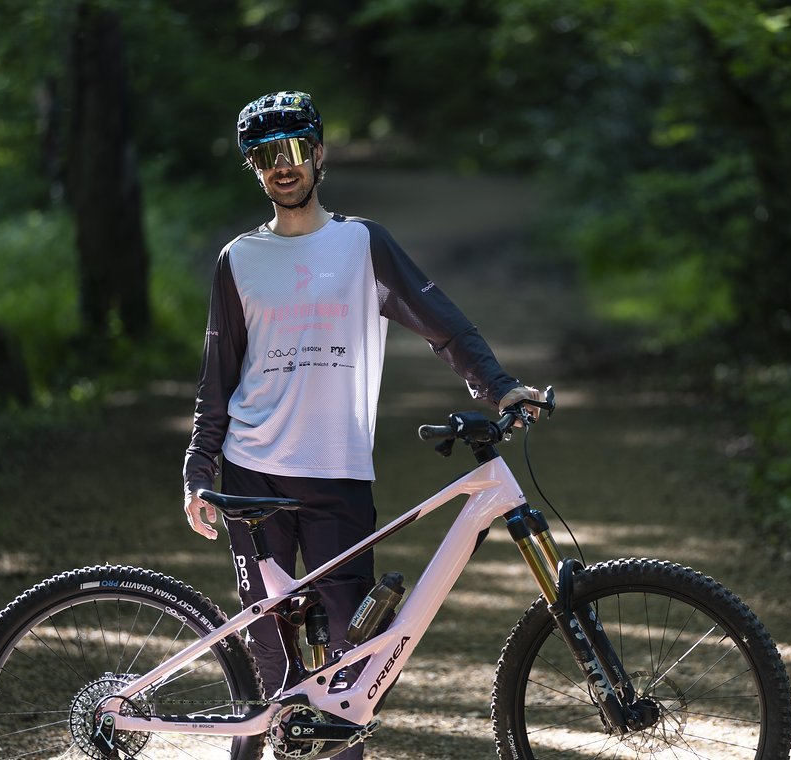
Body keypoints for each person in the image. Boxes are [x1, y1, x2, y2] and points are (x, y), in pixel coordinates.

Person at [181, 90, 539, 756]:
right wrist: (198, 468)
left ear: (319, 154)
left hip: (336, 474)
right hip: (251, 472)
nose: (281, 166)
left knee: (351, 668)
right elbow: (218, 377)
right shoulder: (239, 259)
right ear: (253, 168)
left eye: (293, 150)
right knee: (272, 666)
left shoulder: (362, 244)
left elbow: (442, 324)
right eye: (264, 156)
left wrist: (499, 386)